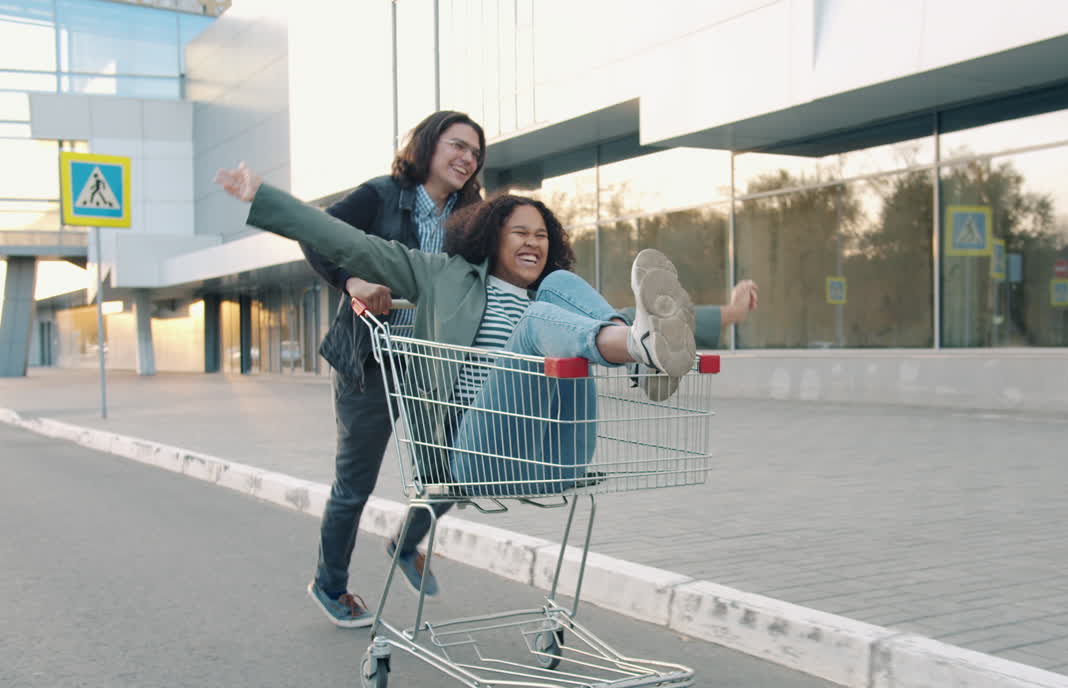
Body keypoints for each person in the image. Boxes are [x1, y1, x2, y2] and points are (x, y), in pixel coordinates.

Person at [215, 164, 727, 619]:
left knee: (561, 290)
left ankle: (647, 351)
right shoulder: (441, 277)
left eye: (543, 235)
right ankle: (642, 350)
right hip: (475, 454)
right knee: (541, 320)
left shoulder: (550, 290)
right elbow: (350, 243)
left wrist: (726, 315)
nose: (534, 242)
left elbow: (605, 307)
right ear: (489, 234)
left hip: (557, 454)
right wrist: (266, 197)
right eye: (520, 232)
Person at [297, 110, 486, 628]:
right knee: (354, 484)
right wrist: (350, 280)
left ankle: (404, 544)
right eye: (457, 145)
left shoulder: (472, 217)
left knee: (460, 469)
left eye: (474, 152)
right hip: (371, 361)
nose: (466, 158)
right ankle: (329, 585)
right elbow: (316, 235)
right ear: (427, 146)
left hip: (433, 366)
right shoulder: (380, 196)